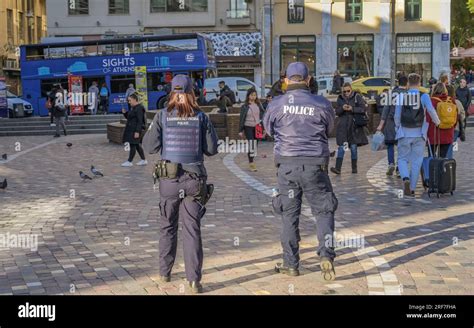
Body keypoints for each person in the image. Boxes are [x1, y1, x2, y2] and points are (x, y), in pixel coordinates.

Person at [142, 75, 219, 294]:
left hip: (169, 180)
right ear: (192, 93)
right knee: (192, 229)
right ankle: (194, 280)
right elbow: (212, 149)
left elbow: (150, 146)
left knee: (167, 226)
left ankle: (164, 272)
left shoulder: (162, 116)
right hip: (194, 181)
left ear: (171, 92)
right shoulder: (201, 117)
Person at [263, 62, 338, 281]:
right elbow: (329, 128)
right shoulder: (322, 103)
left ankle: (291, 264)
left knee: (289, 216)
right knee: (324, 212)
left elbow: (268, 130)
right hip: (316, 165)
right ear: (309, 79)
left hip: (287, 166)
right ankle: (326, 255)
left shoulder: (276, 104)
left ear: (286, 80)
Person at [395, 73, 441, 197]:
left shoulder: (401, 96)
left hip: (404, 131)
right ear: (420, 83)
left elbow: (397, 115)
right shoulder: (424, 96)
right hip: (420, 132)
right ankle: (413, 188)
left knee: (402, 158)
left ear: (408, 84)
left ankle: (405, 178)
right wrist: (438, 123)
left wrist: (397, 127)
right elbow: (431, 111)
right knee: (417, 160)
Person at [330, 82, 369, 175]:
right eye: (344, 91)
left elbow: (363, 109)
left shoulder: (357, 97)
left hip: (354, 126)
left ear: (351, 89)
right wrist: (342, 108)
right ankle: (338, 168)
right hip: (343, 127)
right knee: (341, 147)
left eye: (348, 91)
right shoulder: (340, 98)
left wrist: (352, 108)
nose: (346, 93)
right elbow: (337, 112)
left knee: (353, 147)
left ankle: (354, 168)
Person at [377, 76, 408, 176]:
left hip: (390, 122)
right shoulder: (408, 94)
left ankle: (391, 164)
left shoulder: (391, 93)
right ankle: (399, 168)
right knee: (401, 146)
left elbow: (385, 109)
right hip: (403, 123)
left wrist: (381, 125)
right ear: (406, 83)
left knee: (390, 144)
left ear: (398, 83)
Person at [427, 82, 457, 159]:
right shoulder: (451, 101)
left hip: (433, 134)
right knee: (443, 157)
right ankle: (441, 170)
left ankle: (433, 171)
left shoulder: (431, 101)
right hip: (448, 133)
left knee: (432, 157)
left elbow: (427, 118)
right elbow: (455, 118)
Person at [238, 88, 266, 172]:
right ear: (248, 96)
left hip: (257, 127)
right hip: (248, 127)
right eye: (251, 95)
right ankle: (251, 163)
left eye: (254, 95)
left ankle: (251, 159)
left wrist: (263, 128)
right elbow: (241, 118)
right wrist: (240, 130)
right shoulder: (245, 106)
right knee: (252, 143)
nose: (253, 97)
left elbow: (263, 116)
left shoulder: (258, 104)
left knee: (255, 145)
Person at [121, 93, 147, 167]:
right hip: (132, 129)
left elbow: (140, 121)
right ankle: (143, 160)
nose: (129, 102)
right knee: (136, 145)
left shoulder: (139, 108)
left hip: (135, 130)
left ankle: (129, 161)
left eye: (130, 100)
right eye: (128, 100)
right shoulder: (134, 108)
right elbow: (130, 118)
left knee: (133, 144)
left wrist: (137, 131)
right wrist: (125, 113)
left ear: (135, 99)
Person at [446, 85, 466, 159]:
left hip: (444, 127)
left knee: (445, 145)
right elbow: (462, 115)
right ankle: (448, 162)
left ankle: (444, 161)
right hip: (455, 127)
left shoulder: (441, 101)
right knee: (450, 145)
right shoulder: (457, 102)